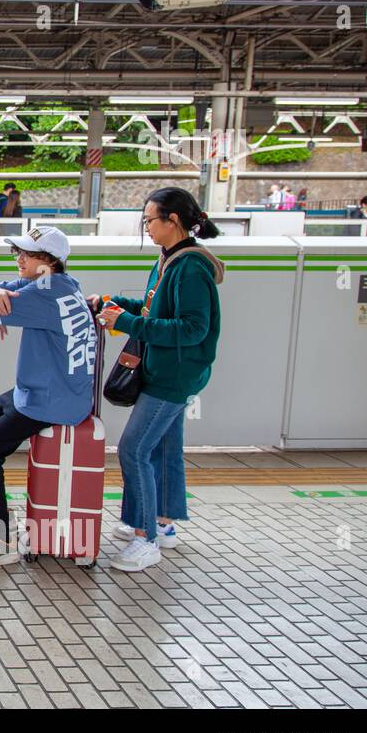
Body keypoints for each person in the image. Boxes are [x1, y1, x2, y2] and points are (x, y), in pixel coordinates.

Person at [91, 187, 224, 573]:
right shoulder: (169, 259)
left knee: (133, 450)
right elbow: (153, 307)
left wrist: (129, 323)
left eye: (150, 220)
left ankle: (145, 539)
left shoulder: (191, 268)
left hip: (172, 377)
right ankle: (162, 525)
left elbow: (193, 328)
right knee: (164, 450)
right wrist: (115, 305)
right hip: (166, 370)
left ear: (174, 221)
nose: (146, 226)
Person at [0, 227, 97, 570]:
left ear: (49, 261)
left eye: (27, 254)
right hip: (56, 391)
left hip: (52, 400)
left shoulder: (44, 295)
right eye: (17, 252)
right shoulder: (62, 284)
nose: (19, 259)